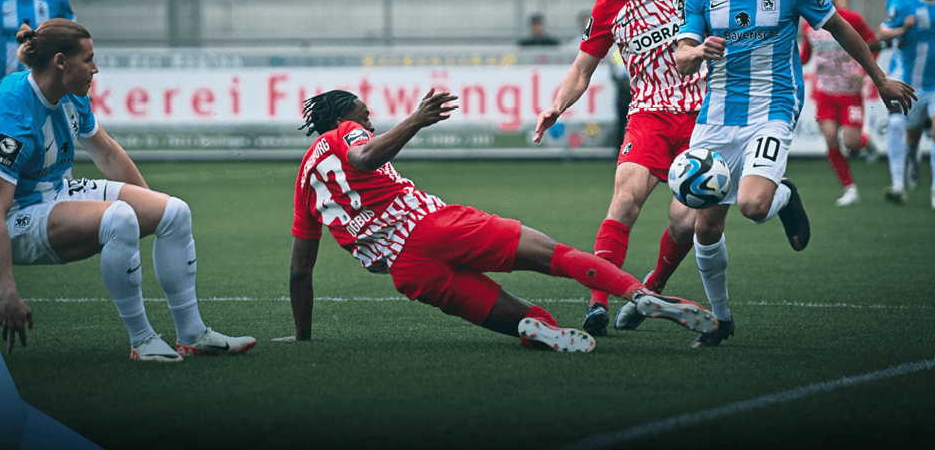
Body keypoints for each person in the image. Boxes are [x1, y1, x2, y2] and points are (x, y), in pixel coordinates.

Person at [276, 89, 721, 352]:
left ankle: (538, 329)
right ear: (341, 119)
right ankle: (638, 294)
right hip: (435, 227)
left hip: (409, 273)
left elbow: (300, 269)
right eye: (363, 113)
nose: (369, 119)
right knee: (557, 255)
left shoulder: (305, 180)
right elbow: (365, 155)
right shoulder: (344, 133)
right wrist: (415, 120)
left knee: (531, 320)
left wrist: (302, 338)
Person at [674, 0, 916, 347]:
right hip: (716, 118)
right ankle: (721, 320)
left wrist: (880, 80)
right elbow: (683, 56)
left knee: (752, 206)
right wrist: (695, 53)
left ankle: (784, 196)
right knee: (703, 227)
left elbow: (840, 28)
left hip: (773, 110)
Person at [0, 19, 256, 361]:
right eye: (89, 59)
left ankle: (193, 335)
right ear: (60, 63)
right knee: (120, 219)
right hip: (15, 218)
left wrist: (154, 209)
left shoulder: (70, 94)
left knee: (175, 212)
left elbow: (107, 152)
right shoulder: (12, 112)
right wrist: (7, 294)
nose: (95, 69)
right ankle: (142, 341)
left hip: (56, 193)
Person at [534, 0, 707, 337]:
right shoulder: (610, 6)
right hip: (648, 114)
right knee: (624, 201)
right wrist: (556, 106)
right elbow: (581, 70)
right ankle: (597, 305)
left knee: (685, 223)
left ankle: (653, 287)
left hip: (704, 115)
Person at [799, 0, 881, 206]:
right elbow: (805, 56)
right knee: (830, 138)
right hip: (824, 92)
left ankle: (865, 139)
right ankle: (850, 189)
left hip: (850, 91)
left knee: (852, 145)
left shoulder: (851, 19)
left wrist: (862, 71)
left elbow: (873, 45)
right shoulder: (809, 24)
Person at [878, 0, 935, 209]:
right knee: (901, 129)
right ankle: (899, 181)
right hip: (907, 82)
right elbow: (882, 34)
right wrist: (903, 29)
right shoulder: (903, 5)